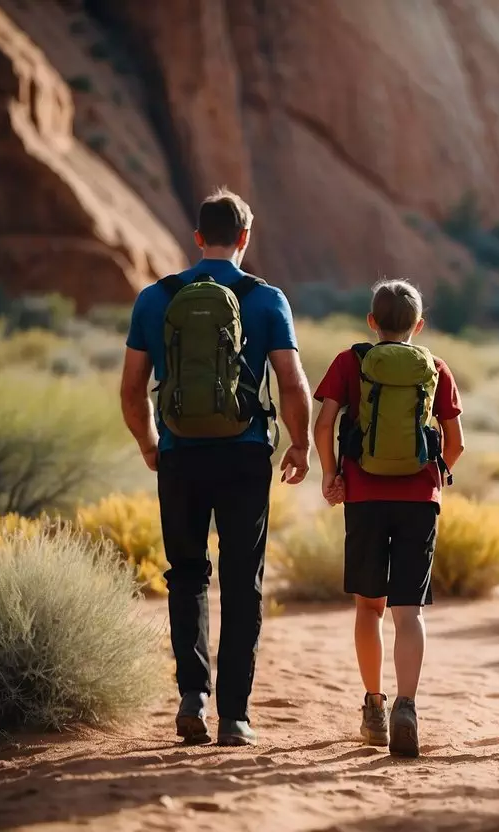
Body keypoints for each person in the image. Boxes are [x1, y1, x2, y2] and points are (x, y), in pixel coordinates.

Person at [120, 188, 312, 747]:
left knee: (185, 574)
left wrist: (150, 443)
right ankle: (235, 715)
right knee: (242, 582)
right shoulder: (266, 298)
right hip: (245, 454)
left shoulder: (156, 298)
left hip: (180, 454)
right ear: (245, 239)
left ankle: (191, 697)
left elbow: (133, 390)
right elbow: (294, 383)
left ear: (197, 238)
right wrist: (300, 445)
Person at [312, 279, 464, 758]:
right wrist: (437, 475)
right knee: (408, 611)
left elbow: (324, 425)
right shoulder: (435, 367)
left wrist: (333, 475)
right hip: (419, 498)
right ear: (418, 325)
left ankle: (374, 707)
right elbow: (455, 442)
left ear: (372, 321)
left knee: (369, 607)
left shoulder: (348, 361)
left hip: (364, 495)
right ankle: (407, 706)